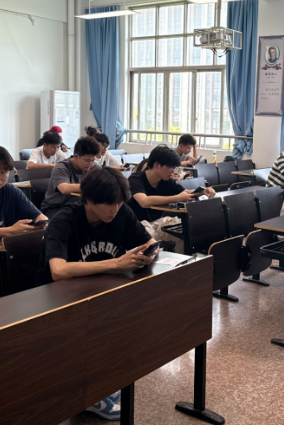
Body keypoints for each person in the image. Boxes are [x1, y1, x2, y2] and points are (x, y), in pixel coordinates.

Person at [44, 167, 156, 421]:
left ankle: (100, 384)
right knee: (98, 326)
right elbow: (58, 271)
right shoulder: (64, 221)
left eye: (119, 203)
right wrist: (116, 263)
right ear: (89, 199)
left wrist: (149, 253)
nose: (114, 210)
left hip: (99, 290)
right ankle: (89, 393)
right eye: (109, 204)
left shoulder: (121, 212)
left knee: (130, 315)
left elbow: (147, 242)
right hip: (59, 297)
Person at [130, 146, 215, 251]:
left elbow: (185, 192)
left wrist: (202, 192)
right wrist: (177, 198)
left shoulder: (166, 180)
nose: (173, 172)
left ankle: (185, 260)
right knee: (154, 248)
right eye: (170, 168)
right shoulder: (136, 179)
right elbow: (144, 201)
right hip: (139, 224)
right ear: (157, 165)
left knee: (186, 237)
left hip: (159, 222)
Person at [43, 137, 104, 213]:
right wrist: (92, 187)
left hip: (79, 207)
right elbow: (64, 188)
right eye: (87, 160)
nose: (90, 164)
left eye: (93, 160)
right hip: (56, 207)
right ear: (76, 156)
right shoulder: (61, 167)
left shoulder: (94, 168)